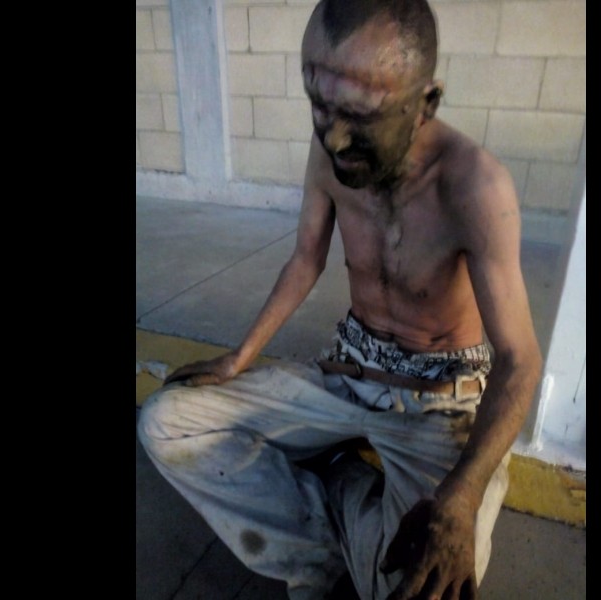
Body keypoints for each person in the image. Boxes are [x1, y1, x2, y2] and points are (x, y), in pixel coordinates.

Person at [138, 1, 542, 598]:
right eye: (318, 105)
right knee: (166, 423)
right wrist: (238, 359)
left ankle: (341, 486)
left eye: (359, 114)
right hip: (344, 377)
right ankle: (318, 556)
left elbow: (520, 361)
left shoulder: (476, 185)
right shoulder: (330, 150)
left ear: (426, 102)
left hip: (439, 403)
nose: (333, 136)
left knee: (428, 582)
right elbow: (306, 259)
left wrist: (462, 497)